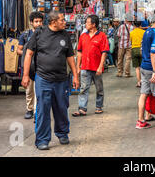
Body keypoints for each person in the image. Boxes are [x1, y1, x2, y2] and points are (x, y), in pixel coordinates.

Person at [21, 11, 79, 151]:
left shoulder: (65, 35)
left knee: (61, 108)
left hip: (61, 79)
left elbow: (70, 56)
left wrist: (76, 75)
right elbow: (29, 54)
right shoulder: (39, 33)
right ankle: (42, 139)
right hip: (43, 78)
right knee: (43, 109)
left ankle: (62, 133)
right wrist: (25, 75)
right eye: (62, 20)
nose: (65, 22)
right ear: (53, 22)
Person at [72, 15, 109, 117]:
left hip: (97, 67)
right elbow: (79, 52)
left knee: (99, 88)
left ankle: (99, 106)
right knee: (84, 88)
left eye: (88, 22)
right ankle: (82, 108)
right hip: (85, 67)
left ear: (93, 24)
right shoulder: (83, 36)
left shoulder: (102, 36)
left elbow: (104, 53)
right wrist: (78, 66)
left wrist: (100, 66)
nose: (86, 24)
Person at [17, 11, 44, 120]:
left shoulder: (45, 34)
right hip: (28, 66)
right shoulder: (25, 35)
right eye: (36, 21)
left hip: (41, 66)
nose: (38, 24)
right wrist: (28, 52)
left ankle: (37, 112)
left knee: (39, 90)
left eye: (40, 21)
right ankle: (29, 109)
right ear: (31, 23)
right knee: (29, 90)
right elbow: (18, 50)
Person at [130, 21, 145, 87]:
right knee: (143, 67)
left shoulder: (131, 32)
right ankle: (144, 82)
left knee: (137, 68)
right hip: (142, 49)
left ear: (134, 25)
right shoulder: (143, 32)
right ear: (140, 25)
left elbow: (131, 41)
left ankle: (139, 82)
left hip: (134, 49)